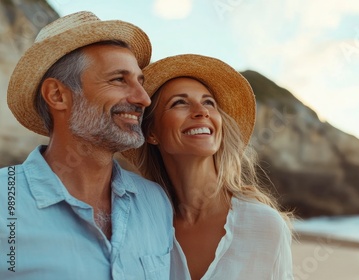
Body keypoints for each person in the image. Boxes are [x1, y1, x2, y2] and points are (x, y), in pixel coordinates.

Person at [0, 11, 173, 279]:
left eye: (140, 82)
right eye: (119, 80)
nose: (143, 99)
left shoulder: (156, 202)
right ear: (58, 95)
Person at [123, 54, 294, 279]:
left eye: (208, 102)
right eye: (180, 102)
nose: (201, 111)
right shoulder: (139, 223)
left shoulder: (264, 226)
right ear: (152, 132)